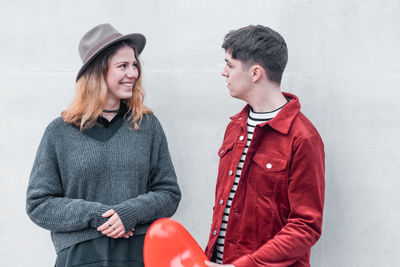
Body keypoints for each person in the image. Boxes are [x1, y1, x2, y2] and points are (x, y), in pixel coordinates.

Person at [26, 23, 181, 267]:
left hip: (139, 255)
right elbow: (39, 204)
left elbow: (169, 193)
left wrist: (130, 213)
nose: (133, 73)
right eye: (123, 66)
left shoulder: (147, 126)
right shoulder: (59, 132)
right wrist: (96, 215)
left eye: (134, 65)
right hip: (80, 257)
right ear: (98, 72)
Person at [204, 25, 325, 267]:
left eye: (230, 65)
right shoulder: (235, 127)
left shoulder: (303, 138)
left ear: (255, 73)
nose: (223, 72)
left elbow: (306, 226)